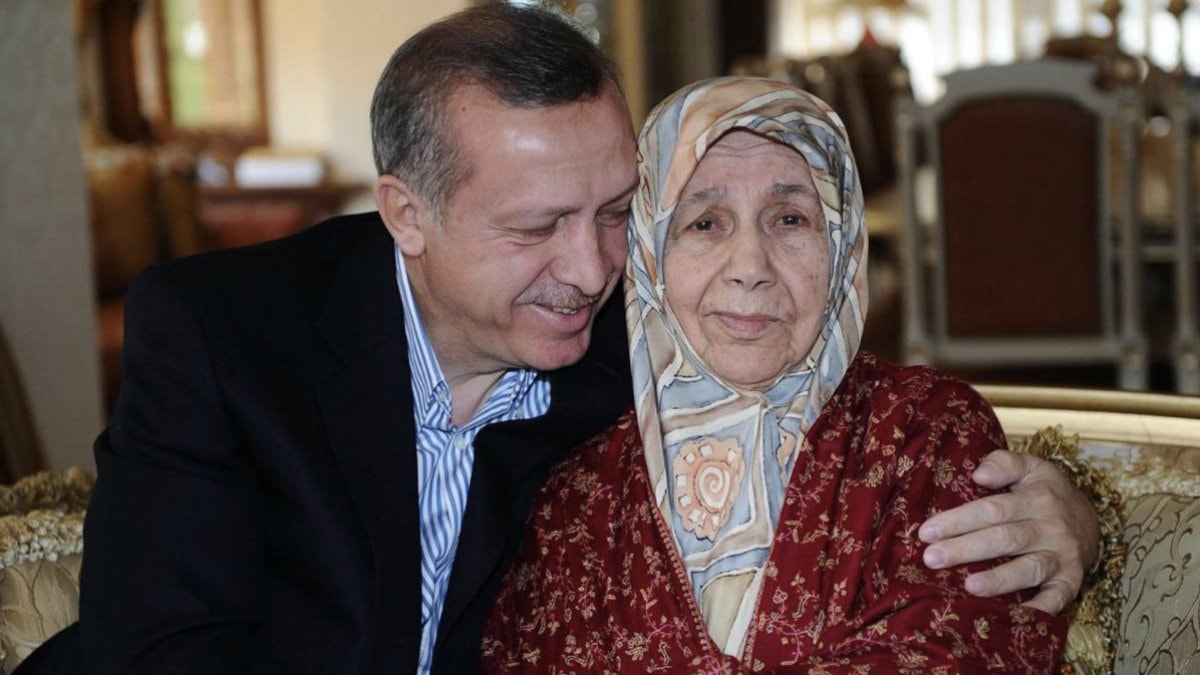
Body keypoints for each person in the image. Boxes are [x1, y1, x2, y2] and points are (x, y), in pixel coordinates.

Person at [19, 6, 1096, 675]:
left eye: (620, 212)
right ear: (406, 215)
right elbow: (160, 656)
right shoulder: (222, 341)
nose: (590, 271)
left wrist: (1074, 510)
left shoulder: (654, 340)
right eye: (536, 228)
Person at [481, 77, 1068, 672]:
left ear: (841, 243)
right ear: (650, 255)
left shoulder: (925, 434)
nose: (750, 266)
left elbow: (962, 651)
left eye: (789, 218)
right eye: (704, 223)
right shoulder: (580, 494)